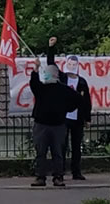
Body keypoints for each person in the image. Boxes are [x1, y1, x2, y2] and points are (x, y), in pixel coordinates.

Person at [29, 58, 81, 187]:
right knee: (47, 152)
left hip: (52, 125)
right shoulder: (44, 88)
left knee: (53, 152)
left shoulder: (60, 89)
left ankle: (50, 176)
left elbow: (77, 100)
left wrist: (35, 70)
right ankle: (51, 177)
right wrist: (35, 70)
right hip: (49, 124)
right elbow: (78, 99)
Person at [48, 37, 92, 180]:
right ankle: (59, 172)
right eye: (70, 64)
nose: (72, 66)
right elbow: (50, 64)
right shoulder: (62, 78)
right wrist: (51, 48)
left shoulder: (82, 81)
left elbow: (86, 101)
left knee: (76, 146)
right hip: (64, 117)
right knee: (62, 146)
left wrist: (87, 118)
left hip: (77, 118)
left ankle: (76, 171)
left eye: (74, 64)